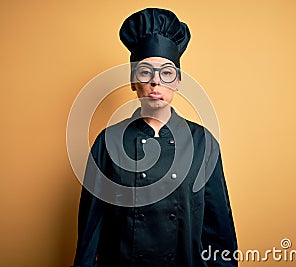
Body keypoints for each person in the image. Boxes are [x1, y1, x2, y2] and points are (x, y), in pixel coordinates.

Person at [71, 8, 237, 267]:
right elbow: (90, 233)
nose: (156, 83)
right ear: (133, 81)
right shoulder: (108, 142)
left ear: (178, 81)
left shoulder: (203, 144)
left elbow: (220, 235)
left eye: (166, 73)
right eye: (145, 72)